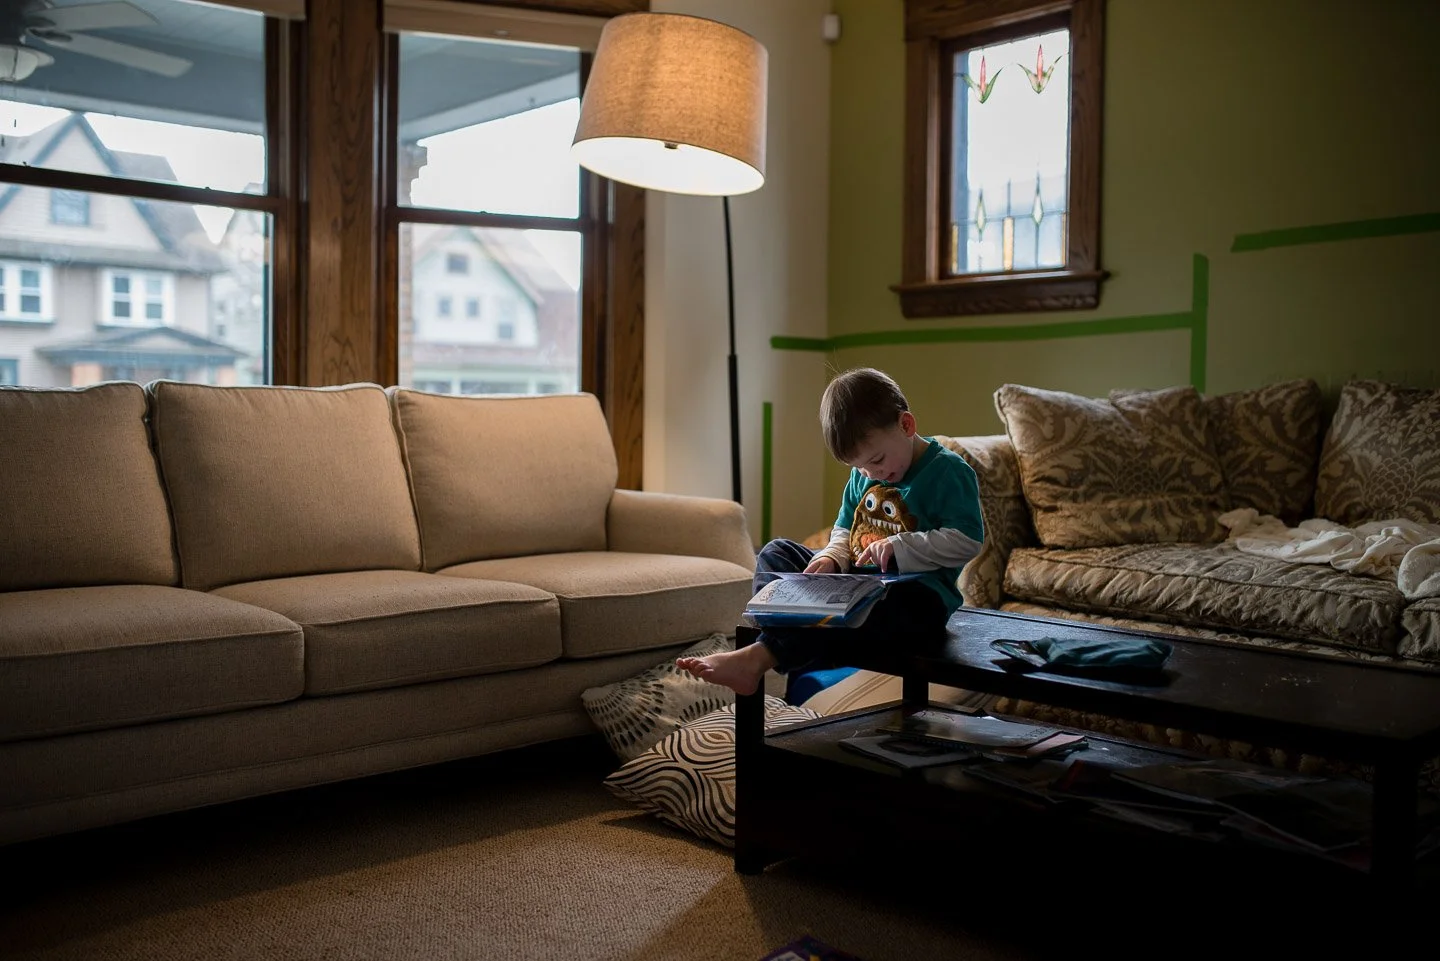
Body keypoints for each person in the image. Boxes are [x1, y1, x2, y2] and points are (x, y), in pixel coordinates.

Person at [677, 367, 984, 695]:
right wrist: (832, 557)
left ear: (906, 425)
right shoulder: (865, 474)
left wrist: (902, 545)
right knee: (776, 551)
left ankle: (761, 654)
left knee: (903, 609)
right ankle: (786, 622)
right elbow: (843, 529)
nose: (871, 472)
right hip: (854, 585)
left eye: (877, 459)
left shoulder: (948, 471)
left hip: (916, 598)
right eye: (859, 466)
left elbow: (967, 540)